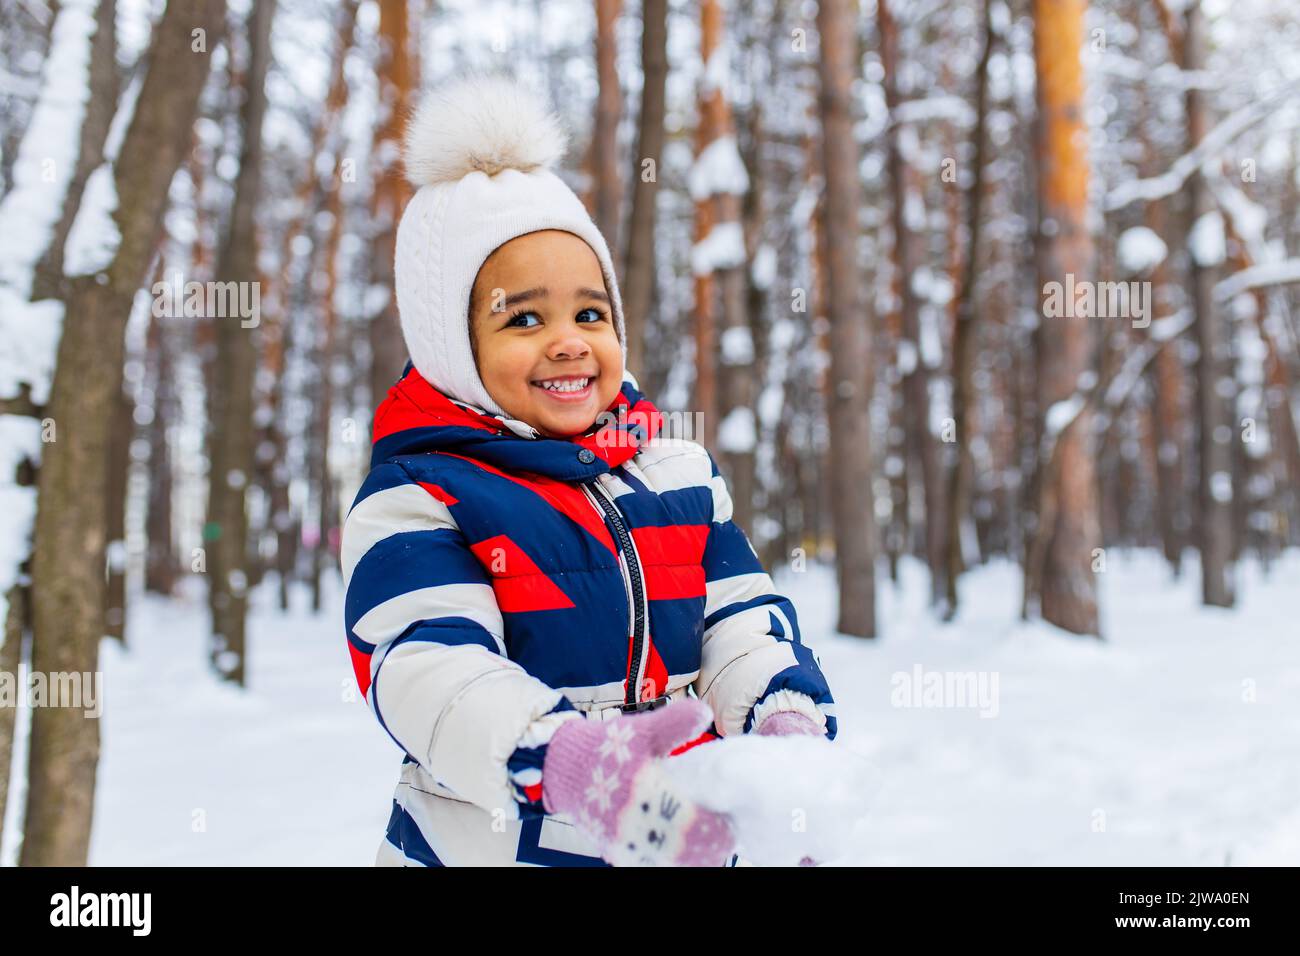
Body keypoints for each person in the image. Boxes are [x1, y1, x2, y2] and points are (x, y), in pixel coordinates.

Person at [342, 72, 837, 867]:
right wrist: (560, 758)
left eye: (591, 312)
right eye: (524, 317)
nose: (570, 340)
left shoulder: (677, 474)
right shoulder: (422, 497)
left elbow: (739, 621)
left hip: (681, 837)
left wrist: (778, 720)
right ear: (451, 346)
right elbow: (428, 669)